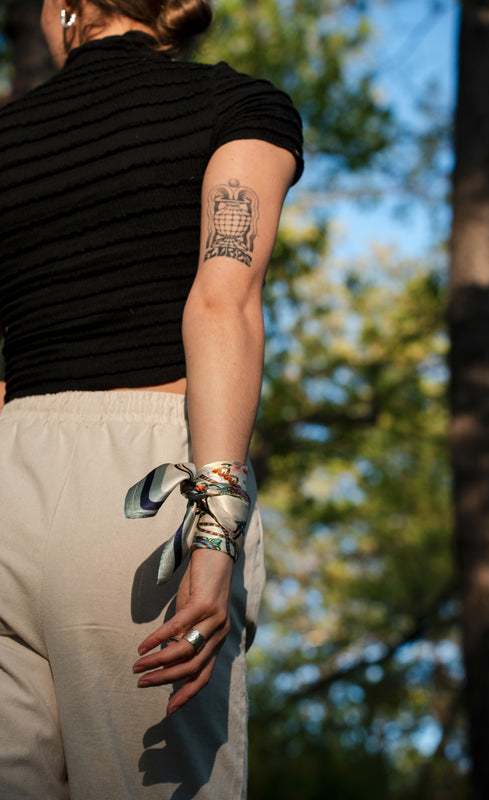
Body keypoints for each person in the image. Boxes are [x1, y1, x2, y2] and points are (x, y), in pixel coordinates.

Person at [0, 1, 303, 797]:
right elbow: (221, 303)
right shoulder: (233, 106)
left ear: (62, 6)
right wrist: (214, 530)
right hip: (145, 492)